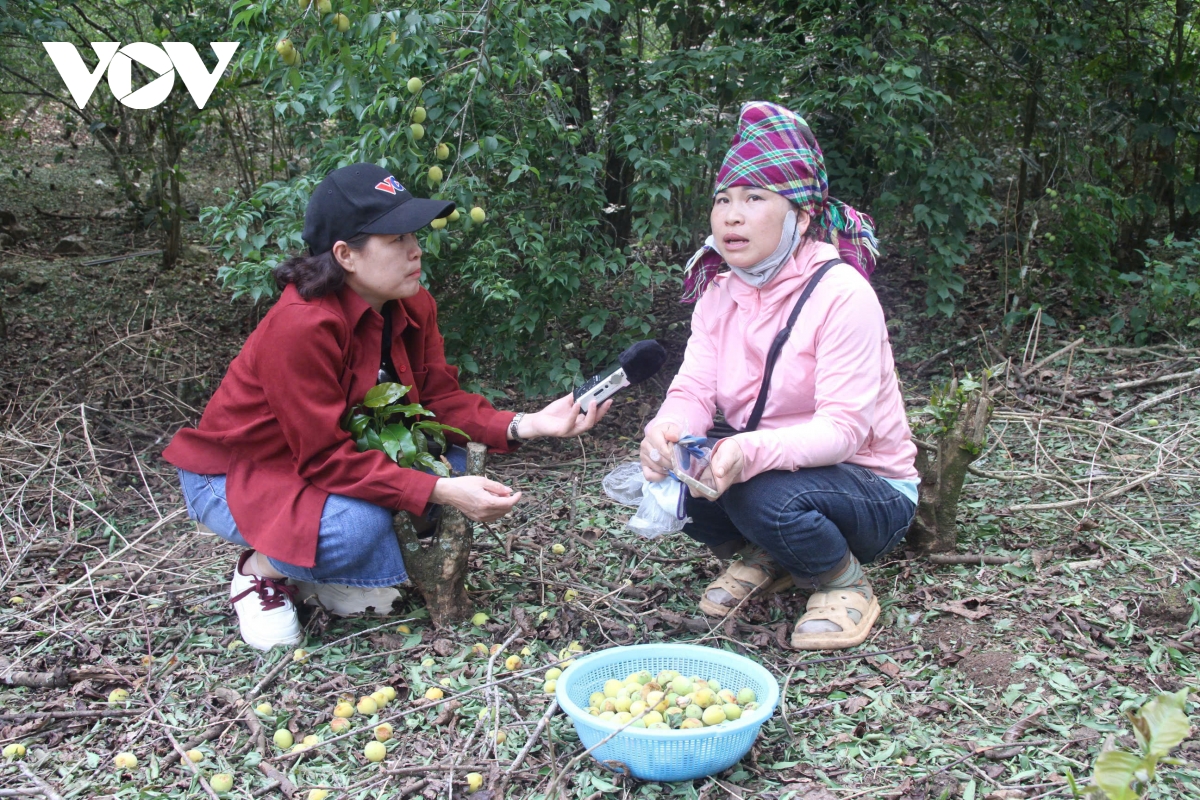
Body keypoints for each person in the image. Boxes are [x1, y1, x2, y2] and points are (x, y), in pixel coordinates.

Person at [165, 163, 610, 650]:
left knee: (454, 463)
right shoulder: (301, 326)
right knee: (364, 524)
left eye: (413, 235)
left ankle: (317, 573)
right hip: (239, 474)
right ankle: (261, 570)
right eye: (395, 239)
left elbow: (439, 401)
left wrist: (528, 424)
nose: (415, 250)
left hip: (320, 466)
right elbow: (323, 458)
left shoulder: (412, 304)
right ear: (345, 255)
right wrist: (438, 491)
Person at [639, 102, 918, 651]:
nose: (731, 216)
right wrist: (667, 429)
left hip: (869, 487)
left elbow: (843, 430)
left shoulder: (842, 295)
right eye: (723, 200)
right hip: (782, 469)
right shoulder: (721, 292)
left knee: (755, 490)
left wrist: (746, 454)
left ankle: (844, 582)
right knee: (683, 470)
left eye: (754, 199)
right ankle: (770, 556)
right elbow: (694, 388)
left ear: (801, 218)